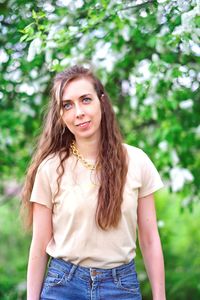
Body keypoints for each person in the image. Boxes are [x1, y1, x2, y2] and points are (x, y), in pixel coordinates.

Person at [21, 65, 166, 300]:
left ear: (102, 102)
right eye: (67, 105)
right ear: (60, 115)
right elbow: (39, 245)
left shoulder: (137, 161)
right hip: (62, 285)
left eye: (85, 99)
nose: (78, 112)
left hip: (121, 287)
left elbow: (149, 239)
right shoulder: (50, 169)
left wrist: (160, 297)